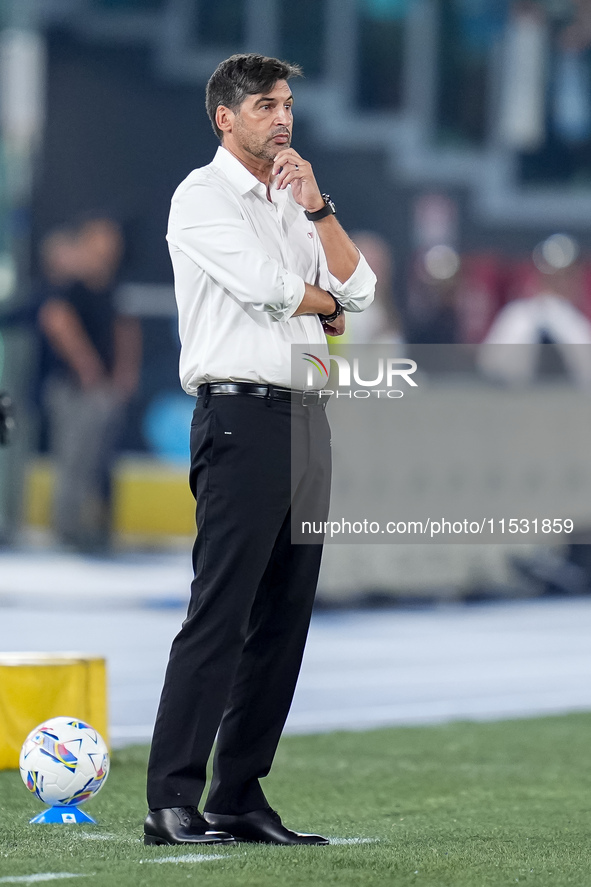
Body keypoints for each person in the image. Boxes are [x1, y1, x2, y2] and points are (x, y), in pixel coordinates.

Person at [144, 53, 375, 847]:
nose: (282, 119)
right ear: (225, 117)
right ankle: (170, 797)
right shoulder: (200, 196)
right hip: (241, 418)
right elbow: (270, 288)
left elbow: (362, 290)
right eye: (265, 106)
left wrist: (317, 209)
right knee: (222, 610)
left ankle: (239, 794)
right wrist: (323, 302)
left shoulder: (290, 201)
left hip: (309, 415)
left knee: (284, 617)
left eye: (285, 105)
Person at [39, 217, 142, 551]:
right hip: (74, 387)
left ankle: (90, 529)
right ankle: (66, 530)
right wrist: (85, 365)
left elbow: (125, 329)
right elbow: (57, 320)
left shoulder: (109, 286)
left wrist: (123, 373)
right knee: (74, 459)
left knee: (98, 459)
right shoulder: (71, 283)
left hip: (101, 389)